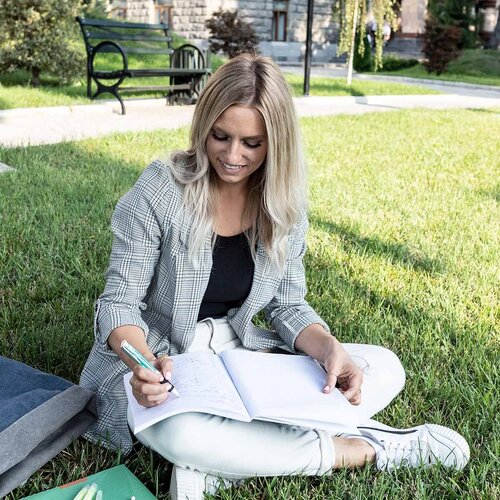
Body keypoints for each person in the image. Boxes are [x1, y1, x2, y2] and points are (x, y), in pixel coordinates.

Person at [80, 53, 470, 500]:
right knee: (179, 431)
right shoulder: (160, 189)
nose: (232, 156)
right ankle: (361, 449)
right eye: (220, 136)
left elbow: (287, 304)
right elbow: (119, 305)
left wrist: (328, 348)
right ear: (203, 125)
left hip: (240, 353)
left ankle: (220, 466)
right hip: (166, 356)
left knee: (383, 367)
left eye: (252, 143)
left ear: (275, 143)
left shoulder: (282, 203)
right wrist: (144, 368)